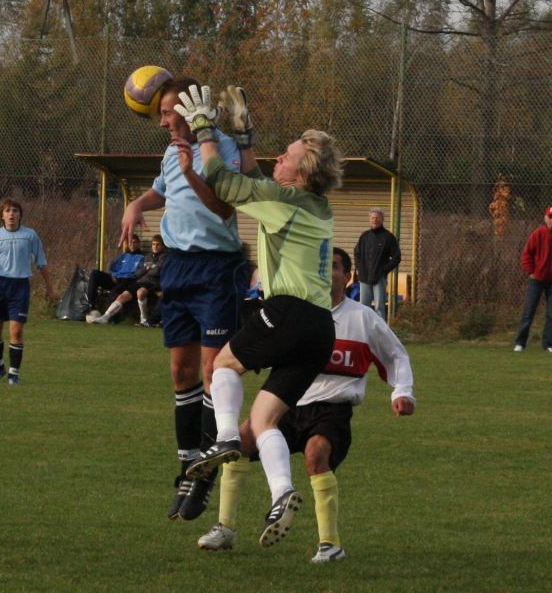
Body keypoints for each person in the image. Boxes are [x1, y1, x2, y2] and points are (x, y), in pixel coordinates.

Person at [174, 84, 342, 548]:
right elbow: (258, 182)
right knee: (266, 420)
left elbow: (222, 179)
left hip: (288, 312)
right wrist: (244, 140)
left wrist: (206, 128)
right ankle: (282, 492)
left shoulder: (284, 200)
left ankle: (224, 437)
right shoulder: (315, 204)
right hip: (319, 330)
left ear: (301, 171)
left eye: (286, 156)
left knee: (222, 365)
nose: (278, 161)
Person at [198, 247, 416, 563]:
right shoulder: (293, 315)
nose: (327, 272)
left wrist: (402, 392)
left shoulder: (362, 318)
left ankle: (330, 544)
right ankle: (226, 528)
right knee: (241, 442)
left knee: (316, 454)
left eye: (336, 267)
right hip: (286, 402)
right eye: (322, 267)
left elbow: (396, 355)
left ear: (349, 276)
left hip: (331, 410)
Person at [119, 75, 248, 522]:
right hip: (177, 267)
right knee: (182, 372)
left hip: (217, 269)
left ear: (194, 111)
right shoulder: (169, 152)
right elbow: (163, 189)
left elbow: (224, 207)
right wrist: (137, 205)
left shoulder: (222, 149)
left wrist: (193, 169)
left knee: (215, 373)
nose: (163, 122)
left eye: (169, 112)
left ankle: (205, 477)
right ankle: (186, 467)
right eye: (160, 114)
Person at [0, 198, 55, 385]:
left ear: (20, 215)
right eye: (7, 211)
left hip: (20, 286)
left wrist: (50, 288)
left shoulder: (30, 236)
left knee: (16, 331)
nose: (11, 214)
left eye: (15, 210)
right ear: (2, 215)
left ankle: (14, 374)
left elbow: (42, 263)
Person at [86, 234, 165, 326]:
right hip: (139, 281)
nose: (155, 247)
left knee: (139, 292)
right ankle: (105, 317)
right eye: (153, 244)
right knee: (122, 296)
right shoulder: (147, 257)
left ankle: (143, 319)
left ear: (163, 246)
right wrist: (147, 268)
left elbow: (155, 272)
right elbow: (138, 273)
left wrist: (149, 268)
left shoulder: (161, 257)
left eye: (158, 244)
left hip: (150, 283)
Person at [513, 205, 552, 352]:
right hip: (536, 280)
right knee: (529, 312)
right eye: (550, 217)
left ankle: (548, 344)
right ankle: (520, 343)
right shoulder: (538, 234)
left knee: (551, 314)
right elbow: (527, 254)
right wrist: (531, 271)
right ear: (545, 218)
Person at [353, 207, 401, 320]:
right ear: (369, 219)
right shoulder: (364, 236)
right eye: (372, 218)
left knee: (379, 307)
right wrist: (359, 268)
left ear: (382, 220)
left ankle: (381, 332)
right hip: (364, 278)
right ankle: (364, 332)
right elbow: (357, 253)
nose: (375, 220)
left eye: (377, 218)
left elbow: (396, 257)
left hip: (379, 278)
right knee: (364, 307)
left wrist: (383, 270)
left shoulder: (388, 237)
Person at [84, 233, 145, 320]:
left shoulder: (141, 257)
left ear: (138, 243)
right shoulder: (123, 255)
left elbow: (139, 273)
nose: (132, 244)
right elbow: (113, 267)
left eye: (135, 242)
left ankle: (109, 317)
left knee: (114, 293)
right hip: (115, 279)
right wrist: (113, 274)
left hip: (127, 281)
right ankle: (91, 307)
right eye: (130, 242)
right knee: (95, 274)